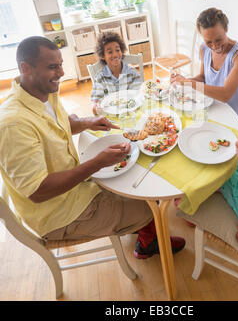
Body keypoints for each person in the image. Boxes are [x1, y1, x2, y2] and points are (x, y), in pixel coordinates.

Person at [0, 36, 185, 259]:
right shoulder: (13, 124)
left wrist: (85, 123)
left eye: (60, 65)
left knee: (142, 179)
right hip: (59, 213)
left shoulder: (43, 91)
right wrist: (96, 164)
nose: (60, 73)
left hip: (78, 185)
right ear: (25, 68)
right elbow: (38, 192)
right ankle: (148, 242)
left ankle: (139, 228)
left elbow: (57, 123)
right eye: (52, 67)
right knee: (152, 204)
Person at [170, 8, 238, 127]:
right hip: (211, 107)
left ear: (226, 29)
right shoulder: (204, 49)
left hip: (236, 116)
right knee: (180, 125)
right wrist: (182, 81)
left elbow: (225, 95)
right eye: (209, 42)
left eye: (219, 39)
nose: (214, 46)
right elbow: (203, 77)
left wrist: (188, 83)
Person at [91, 32, 142, 115]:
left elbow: (138, 96)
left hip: (132, 114)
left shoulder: (132, 74)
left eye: (117, 50)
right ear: (102, 56)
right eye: (110, 52)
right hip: (111, 117)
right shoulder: (100, 78)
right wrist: (95, 106)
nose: (115, 54)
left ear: (121, 51)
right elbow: (96, 100)